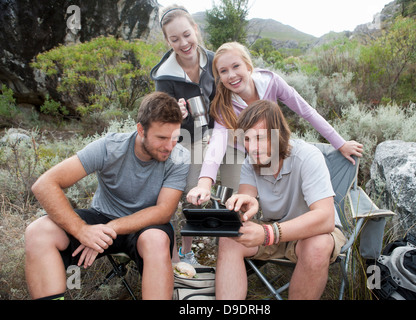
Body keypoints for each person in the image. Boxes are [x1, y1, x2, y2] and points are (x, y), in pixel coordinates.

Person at [24, 92, 190, 300]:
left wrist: (109, 230)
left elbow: (163, 211)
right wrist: (81, 230)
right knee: (38, 231)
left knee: (156, 239)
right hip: (102, 216)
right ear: (141, 130)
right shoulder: (109, 147)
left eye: (175, 138)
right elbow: (44, 185)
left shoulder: (180, 157)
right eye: (162, 138)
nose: (169, 146)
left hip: (145, 226)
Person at [186, 42, 363, 206]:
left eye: (236, 66)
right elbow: (218, 141)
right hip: (239, 149)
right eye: (223, 71)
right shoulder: (224, 103)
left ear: (248, 66)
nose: (231, 75)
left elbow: (306, 111)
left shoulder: (271, 82)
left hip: (267, 144)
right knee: (236, 196)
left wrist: (340, 143)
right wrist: (204, 184)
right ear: (219, 77)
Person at [215, 99, 347, 299]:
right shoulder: (251, 162)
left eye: (260, 138)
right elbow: (247, 196)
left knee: (317, 246)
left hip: (311, 233)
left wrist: (269, 233)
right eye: (247, 139)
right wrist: (244, 203)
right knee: (230, 238)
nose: (252, 147)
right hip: (273, 228)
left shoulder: (307, 157)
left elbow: (325, 217)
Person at [150, 5, 216, 264]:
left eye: (187, 34)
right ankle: (185, 252)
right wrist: (174, 112)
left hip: (222, 132)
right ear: (167, 41)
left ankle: (234, 246)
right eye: (175, 39)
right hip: (188, 137)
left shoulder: (213, 60)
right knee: (192, 191)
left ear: (196, 30)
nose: (183, 43)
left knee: (237, 185)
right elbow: (162, 120)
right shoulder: (165, 76)